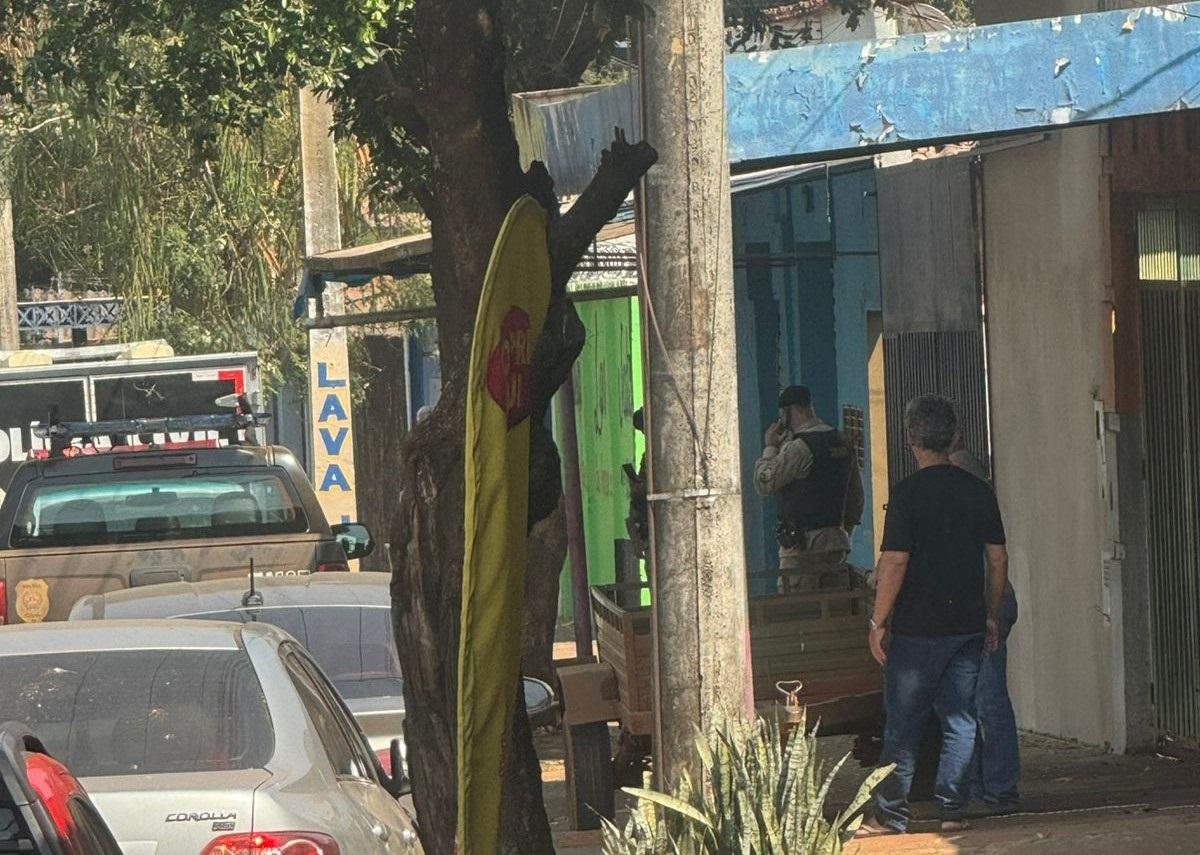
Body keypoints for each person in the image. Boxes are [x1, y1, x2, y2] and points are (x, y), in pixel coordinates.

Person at [859, 395, 1009, 837]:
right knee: (960, 719)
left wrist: (878, 621)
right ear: (955, 437)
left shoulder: (906, 494)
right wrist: (992, 614)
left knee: (903, 723)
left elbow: (895, 562)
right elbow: (997, 559)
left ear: (910, 441)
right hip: (965, 623)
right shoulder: (979, 491)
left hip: (916, 630)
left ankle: (891, 815)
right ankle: (952, 809)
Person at [949, 442, 1021, 816]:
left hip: (986, 605)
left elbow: (995, 563)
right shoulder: (974, 501)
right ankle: (982, 786)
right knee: (973, 702)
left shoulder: (969, 504)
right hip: (980, 606)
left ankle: (999, 788)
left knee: (987, 700)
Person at [754, 385, 864, 591]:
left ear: (787, 412)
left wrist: (770, 447)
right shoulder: (842, 441)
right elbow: (856, 498)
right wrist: (841, 532)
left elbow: (764, 482)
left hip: (801, 549)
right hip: (836, 545)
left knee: (799, 614)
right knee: (834, 611)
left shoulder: (800, 447)